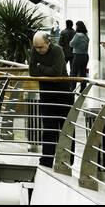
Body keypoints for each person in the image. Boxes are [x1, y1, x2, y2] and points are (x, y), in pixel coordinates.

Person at [29, 30, 73, 167]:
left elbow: (56, 73)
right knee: (48, 129)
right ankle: (46, 161)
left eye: (41, 47)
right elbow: (32, 72)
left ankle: (67, 161)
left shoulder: (57, 50)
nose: (38, 50)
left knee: (66, 129)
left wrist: (40, 67)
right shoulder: (34, 51)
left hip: (63, 94)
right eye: (36, 47)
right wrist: (44, 71)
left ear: (48, 43)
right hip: (46, 94)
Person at [69, 20, 89, 92]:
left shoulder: (77, 35)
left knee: (74, 72)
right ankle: (83, 89)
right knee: (83, 73)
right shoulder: (86, 36)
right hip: (85, 56)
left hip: (78, 55)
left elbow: (71, 44)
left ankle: (72, 88)